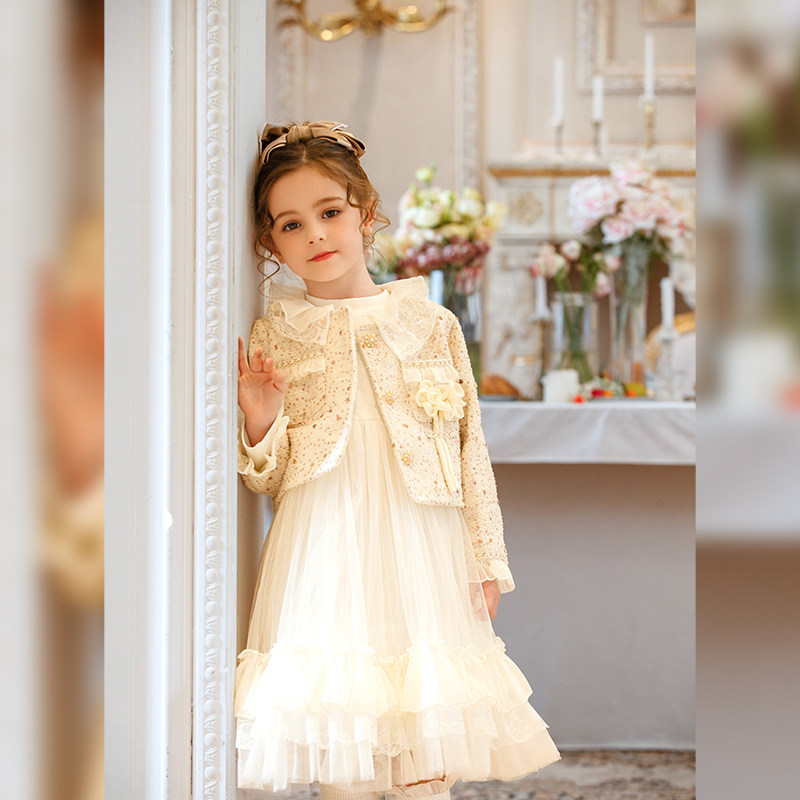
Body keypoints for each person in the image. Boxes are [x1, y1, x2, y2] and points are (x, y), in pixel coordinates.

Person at [235, 121, 561, 799]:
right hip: (325, 548)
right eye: (292, 225)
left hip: (424, 546)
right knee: (347, 728)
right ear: (270, 242)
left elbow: (470, 450)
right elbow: (270, 478)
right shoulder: (275, 334)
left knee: (426, 728)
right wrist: (262, 419)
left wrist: (486, 558)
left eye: (330, 212)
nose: (316, 235)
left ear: (366, 212)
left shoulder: (431, 325)